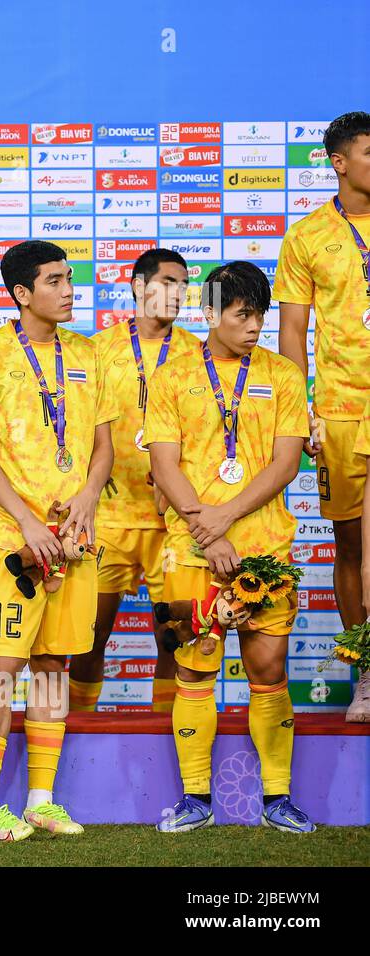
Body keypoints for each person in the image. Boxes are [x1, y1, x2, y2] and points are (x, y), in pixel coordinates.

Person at [0, 240, 116, 841]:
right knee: (4, 667)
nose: (69, 290)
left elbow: (102, 446)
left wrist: (88, 498)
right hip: (13, 540)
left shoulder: (88, 352)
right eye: (54, 281)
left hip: (74, 537)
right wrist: (25, 521)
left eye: (69, 278)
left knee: (52, 663)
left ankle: (42, 800)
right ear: (22, 294)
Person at [147, 261, 313, 833]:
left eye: (261, 315)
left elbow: (286, 463)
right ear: (210, 314)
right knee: (193, 670)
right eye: (243, 315)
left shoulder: (286, 376)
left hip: (264, 545)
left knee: (269, 671)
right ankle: (195, 798)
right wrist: (205, 529)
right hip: (190, 548)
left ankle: (277, 798)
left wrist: (223, 523)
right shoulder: (170, 378)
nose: (255, 327)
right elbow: (163, 466)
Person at [69, 249, 198, 712]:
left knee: (176, 636)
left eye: (184, 284)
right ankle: (78, 729)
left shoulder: (196, 353)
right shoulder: (96, 350)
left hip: (175, 523)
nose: (177, 293)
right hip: (108, 520)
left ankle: (166, 728)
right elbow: (73, 424)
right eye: (167, 282)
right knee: (89, 637)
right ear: (138, 287)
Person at [276, 110, 370, 722]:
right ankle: (366, 672)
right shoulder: (308, 235)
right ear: (339, 161)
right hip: (340, 409)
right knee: (350, 548)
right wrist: (300, 413)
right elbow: (291, 333)